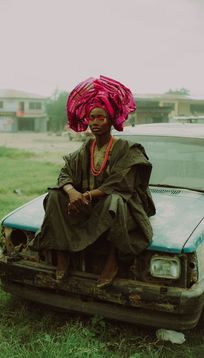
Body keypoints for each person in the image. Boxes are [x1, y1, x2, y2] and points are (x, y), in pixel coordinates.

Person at [33, 75, 156, 288]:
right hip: (87, 205)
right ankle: (63, 253)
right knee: (54, 195)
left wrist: (87, 195)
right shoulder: (85, 148)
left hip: (120, 210)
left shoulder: (128, 148)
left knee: (114, 201)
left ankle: (112, 260)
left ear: (111, 120)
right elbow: (65, 173)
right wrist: (72, 192)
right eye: (91, 117)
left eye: (101, 117)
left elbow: (120, 182)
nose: (95, 122)